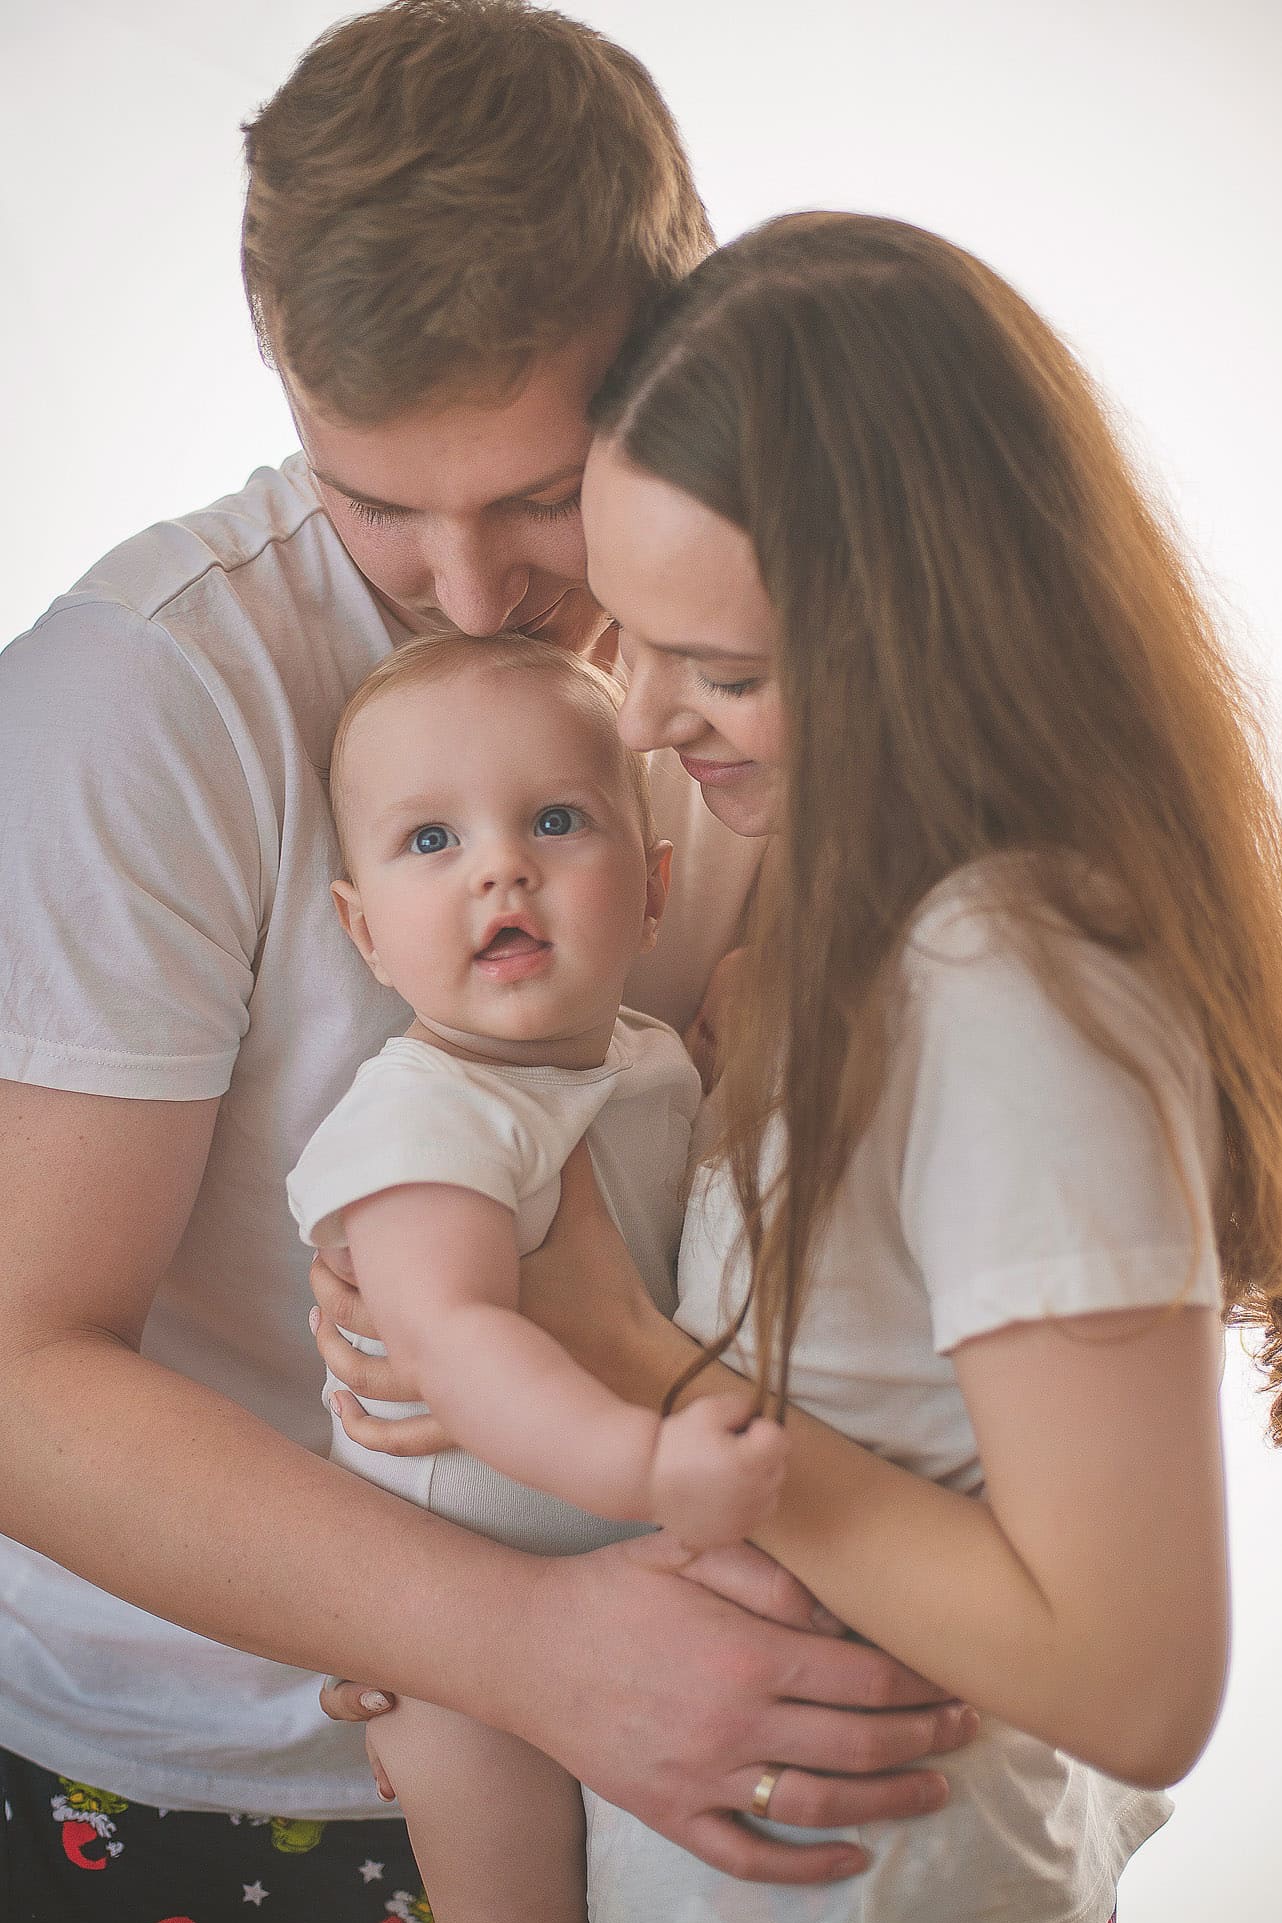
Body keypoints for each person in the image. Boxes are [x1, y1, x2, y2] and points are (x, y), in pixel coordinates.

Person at [0, 6, 972, 1917]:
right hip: (218, 1789)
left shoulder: (776, 655)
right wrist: (519, 1646)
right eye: (372, 500)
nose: (463, 592)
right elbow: (21, 1372)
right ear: (274, 356)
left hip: (668, 1725)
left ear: (682, 343)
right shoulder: (147, 699)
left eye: (538, 495)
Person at [317, 210, 1282, 1920]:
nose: (641, 723)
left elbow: (1134, 1686)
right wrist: (469, 1623)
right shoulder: (875, 947)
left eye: (724, 671)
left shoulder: (1012, 981)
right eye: (632, 637)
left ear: (926, 636)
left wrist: (634, 1360)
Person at [289, 632, 787, 1920]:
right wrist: (651, 1465)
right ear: (365, 931)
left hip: (621, 1579)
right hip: (463, 1639)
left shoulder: (648, 1058)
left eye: (556, 821)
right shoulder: (424, 1116)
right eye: (431, 840)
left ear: (654, 888)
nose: (502, 866)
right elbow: (456, 1342)